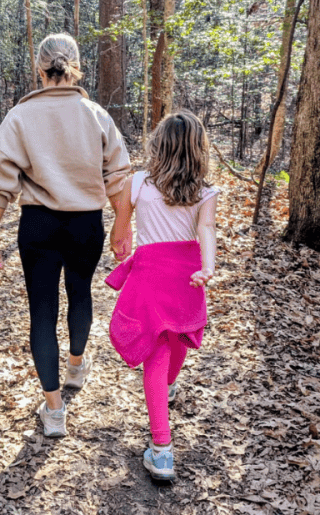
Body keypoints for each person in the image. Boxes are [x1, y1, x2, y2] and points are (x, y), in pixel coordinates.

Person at [0, 33, 132, 438]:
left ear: (39, 68)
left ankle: (54, 411)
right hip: (86, 225)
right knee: (81, 293)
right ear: (75, 65)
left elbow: (0, 185)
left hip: (38, 226)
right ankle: (77, 365)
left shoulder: (19, 117)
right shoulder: (96, 114)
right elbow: (119, 178)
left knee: (42, 314)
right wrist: (123, 227)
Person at [104, 111, 218, 482]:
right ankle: (167, 390)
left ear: (159, 146)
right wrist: (208, 267)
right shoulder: (205, 191)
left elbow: (121, 231)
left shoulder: (138, 183)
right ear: (198, 149)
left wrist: (120, 247)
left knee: (158, 351)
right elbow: (207, 229)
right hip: (186, 273)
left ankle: (163, 450)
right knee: (177, 337)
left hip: (151, 274)